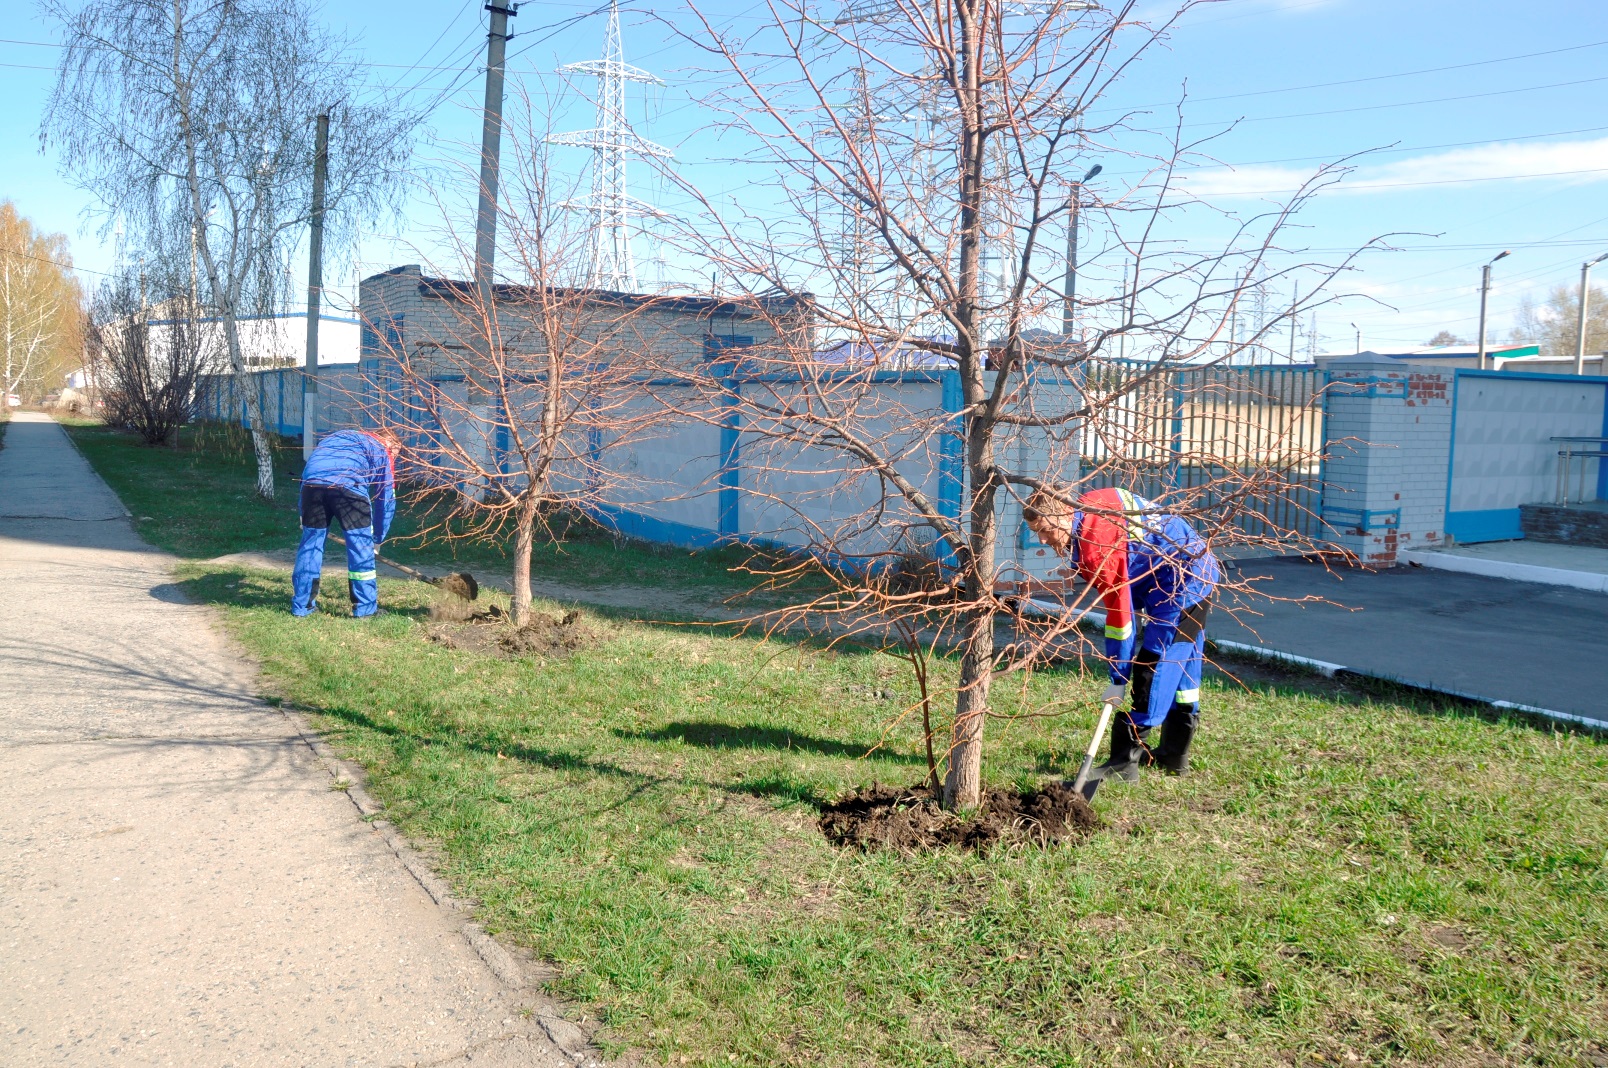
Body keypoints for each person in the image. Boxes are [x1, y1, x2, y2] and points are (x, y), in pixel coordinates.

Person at [1022, 485, 1219, 779]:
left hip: (1184, 580)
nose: (1041, 538)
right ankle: (1174, 754)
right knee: (1186, 663)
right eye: (1036, 531)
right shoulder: (1087, 508)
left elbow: (1121, 618)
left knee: (1154, 664)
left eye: (1046, 529)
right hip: (1175, 573)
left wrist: (1119, 676)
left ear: (1064, 513)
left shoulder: (1096, 545)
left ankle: (1125, 762)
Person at [291, 428, 398, 618]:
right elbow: (385, 498)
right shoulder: (381, 449)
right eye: (395, 453)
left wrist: (302, 513)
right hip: (349, 488)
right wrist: (377, 539)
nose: (394, 459)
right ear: (388, 443)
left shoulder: (336, 438)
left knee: (310, 545)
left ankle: (302, 606)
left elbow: (308, 472)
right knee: (360, 549)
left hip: (312, 487)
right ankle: (365, 609)